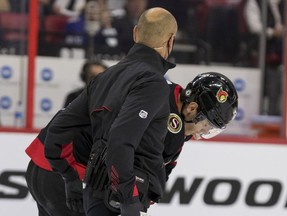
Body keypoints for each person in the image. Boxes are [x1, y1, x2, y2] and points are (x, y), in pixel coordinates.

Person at [25, 71, 238, 216]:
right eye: (208, 126)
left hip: (46, 162)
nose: (205, 133)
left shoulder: (165, 91)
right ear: (191, 109)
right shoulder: (168, 126)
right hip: (64, 174)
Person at [43, 7, 177, 216]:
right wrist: (128, 200)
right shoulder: (154, 82)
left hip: (94, 194)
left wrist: (70, 178)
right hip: (119, 200)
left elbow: (56, 132)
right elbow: (120, 140)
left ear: (135, 33)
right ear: (171, 41)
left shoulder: (104, 77)